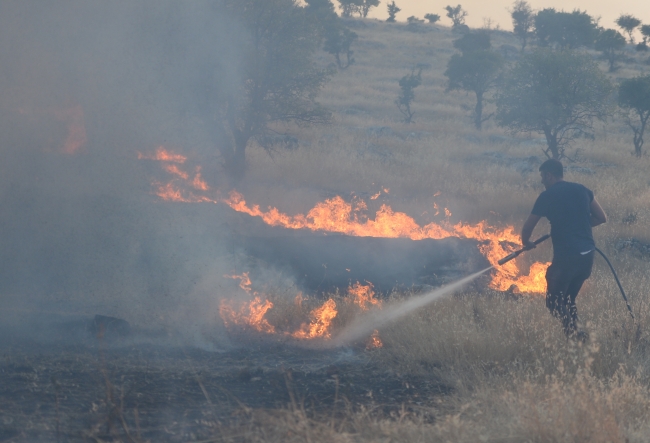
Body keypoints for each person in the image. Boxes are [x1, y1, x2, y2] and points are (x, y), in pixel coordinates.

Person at [521, 159, 607, 341]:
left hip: (567, 258)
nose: (541, 181)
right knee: (568, 300)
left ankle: (575, 337)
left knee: (553, 302)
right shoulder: (582, 189)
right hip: (587, 256)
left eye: (542, 176)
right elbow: (601, 217)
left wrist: (526, 242)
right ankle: (579, 337)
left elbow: (528, 227)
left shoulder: (546, 196)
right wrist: (579, 227)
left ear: (549, 175)